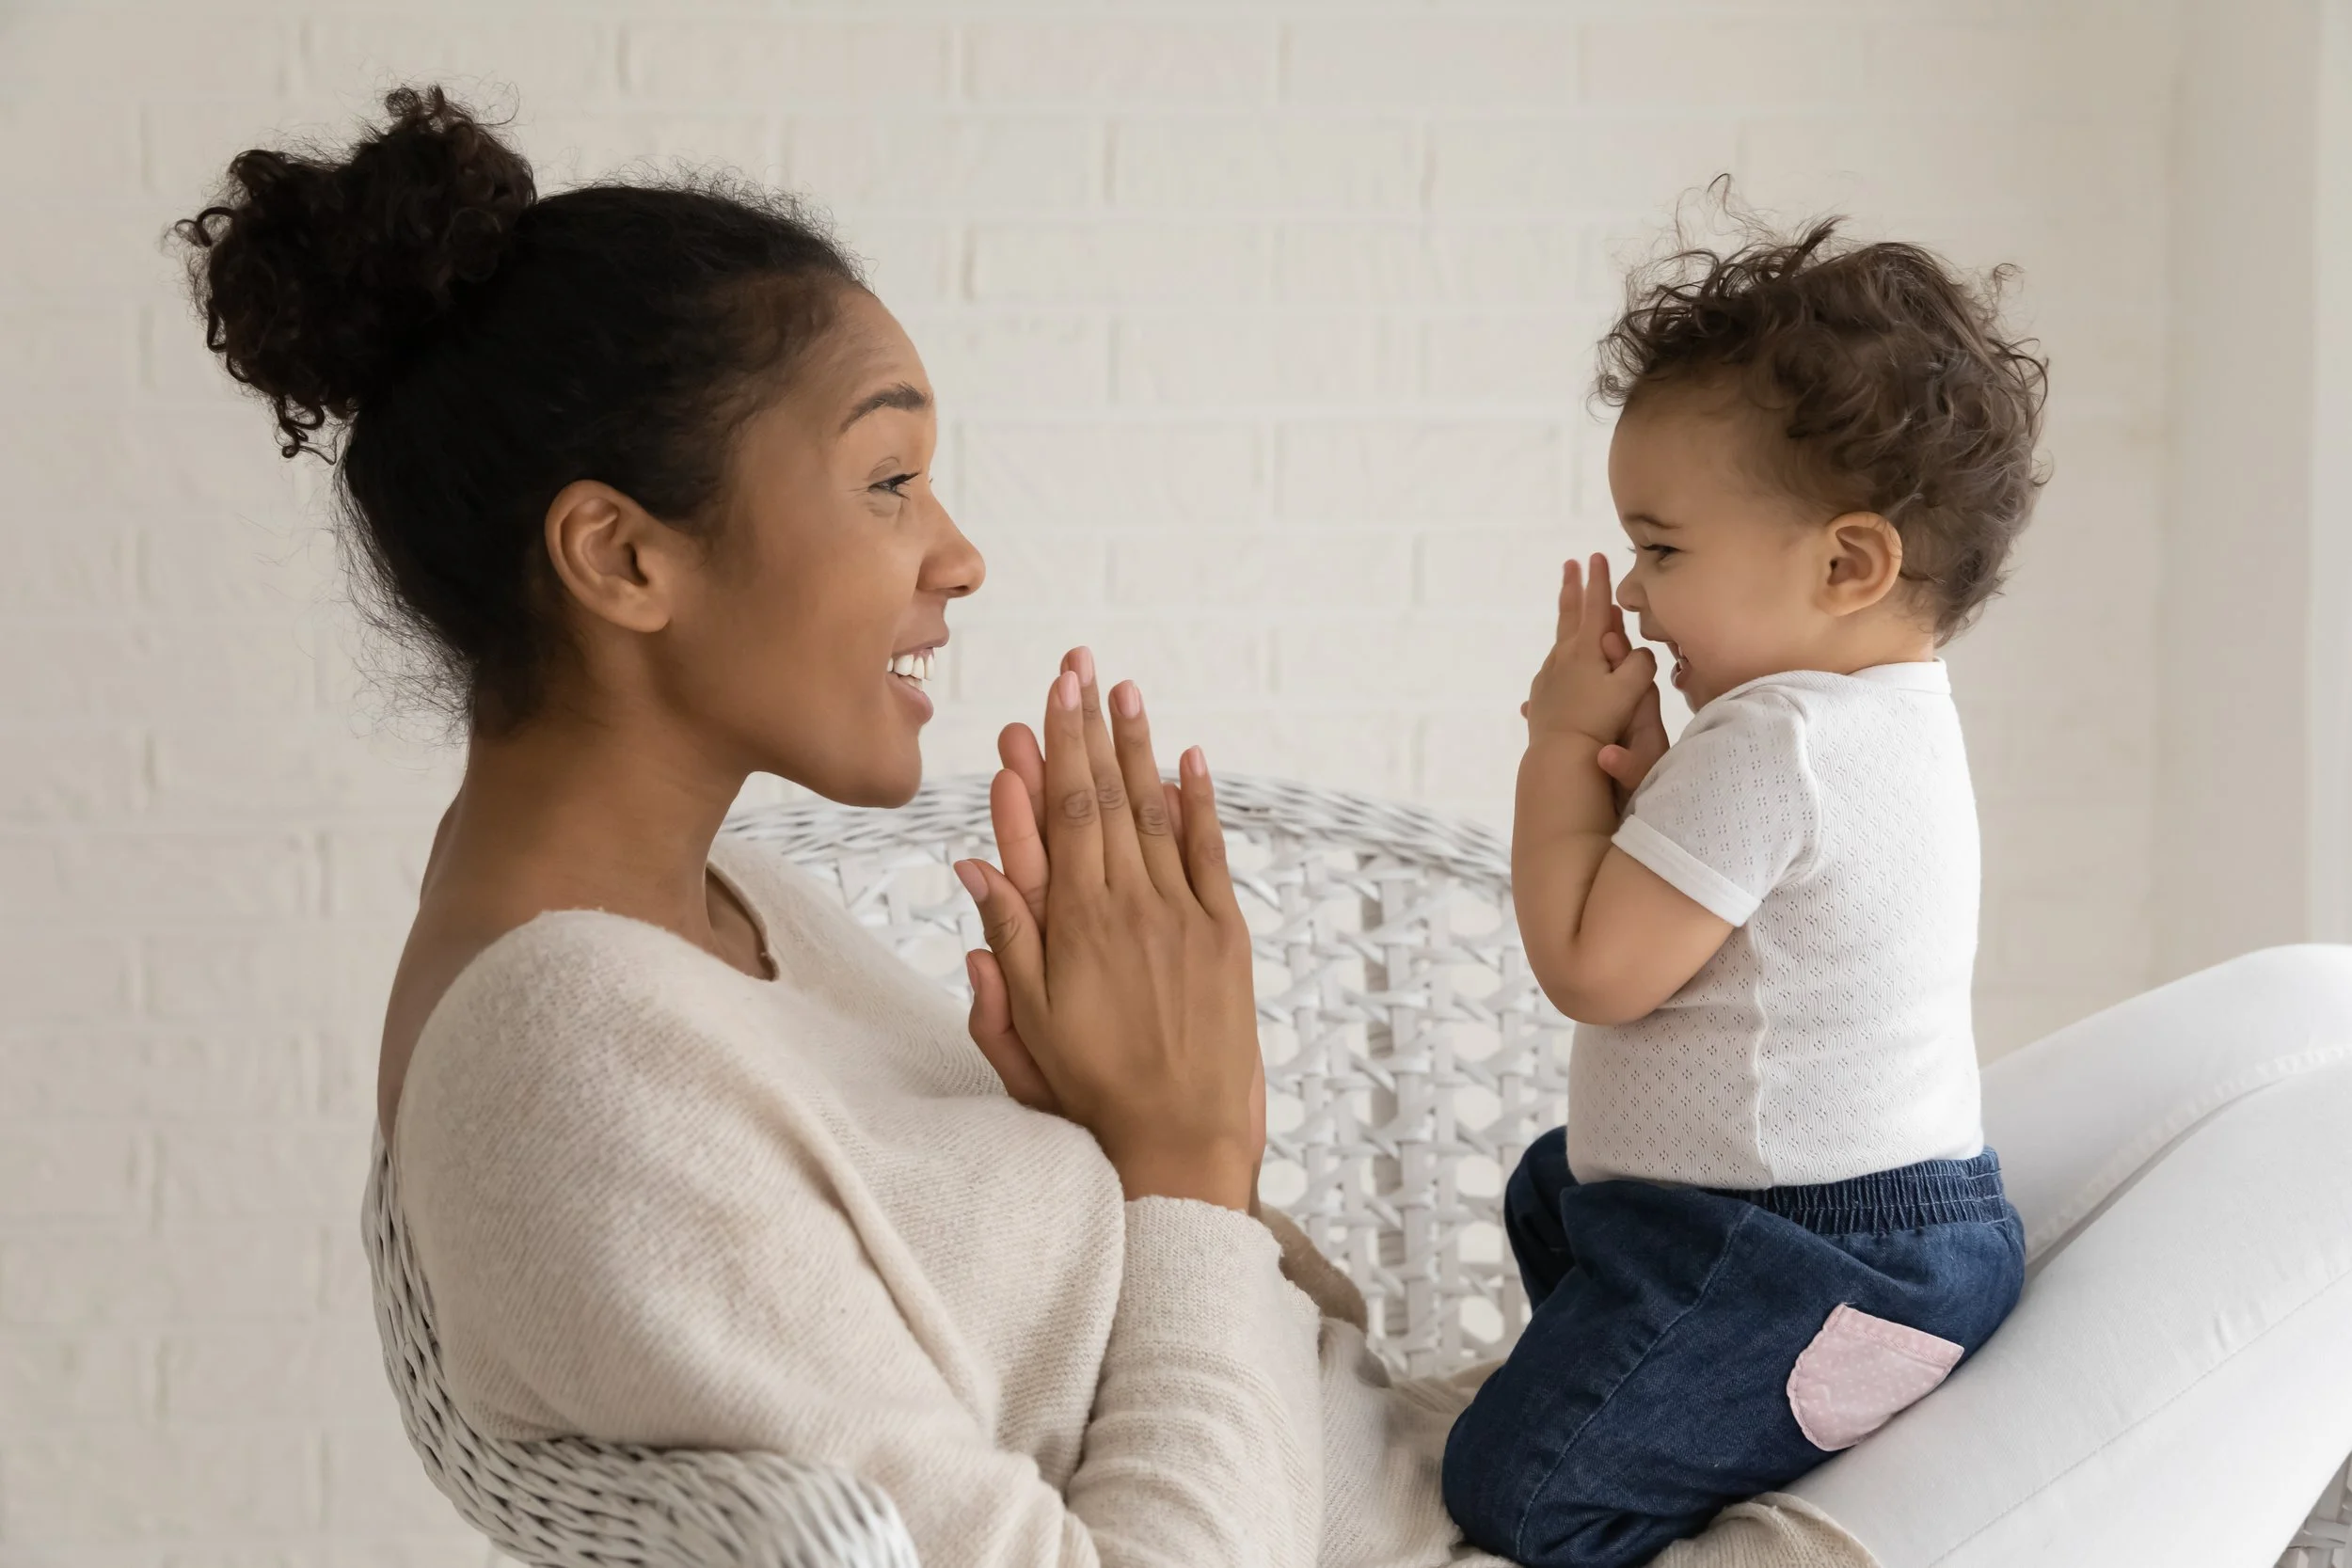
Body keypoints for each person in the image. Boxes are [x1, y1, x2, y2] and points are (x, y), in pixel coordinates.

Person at [175, 87, 2352, 1568]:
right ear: (621, 556)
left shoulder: (722, 913)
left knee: (2305, 1010)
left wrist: (1145, 1158)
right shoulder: (565, 1062)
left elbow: (1164, 1326)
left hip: (1492, 1455)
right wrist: (1182, 1165)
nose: (956, 556)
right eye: (883, 479)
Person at [1441, 222, 2047, 1568]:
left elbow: (1595, 966)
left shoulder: (1775, 735)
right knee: (1558, 1191)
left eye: (1661, 550)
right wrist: (1652, 781)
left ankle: (1698, 1466)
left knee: (1516, 1486)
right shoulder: (1884, 719)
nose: (1641, 599)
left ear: (1848, 565)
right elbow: (1739, 918)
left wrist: (1557, 745)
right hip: (1888, 1233)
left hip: (1796, 1258)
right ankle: (1691, 1410)